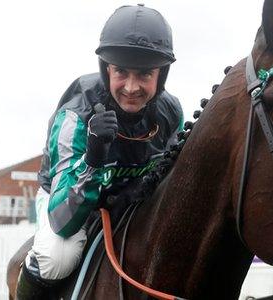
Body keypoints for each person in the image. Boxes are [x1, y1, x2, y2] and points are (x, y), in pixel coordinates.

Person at [16, 4, 183, 298]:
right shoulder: (75, 116)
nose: (131, 87)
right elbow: (62, 220)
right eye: (121, 71)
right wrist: (93, 157)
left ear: (162, 75)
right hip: (65, 199)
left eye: (144, 74)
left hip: (130, 202)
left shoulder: (170, 113)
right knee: (57, 257)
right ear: (106, 70)